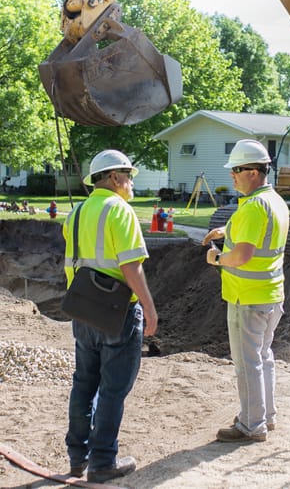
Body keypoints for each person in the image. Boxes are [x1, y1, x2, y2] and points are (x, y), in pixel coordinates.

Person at [63, 149, 158, 483]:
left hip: (82, 309)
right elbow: (130, 266)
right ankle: (103, 462)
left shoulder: (75, 213)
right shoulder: (120, 210)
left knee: (84, 384)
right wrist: (148, 307)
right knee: (113, 389)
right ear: (115, 178)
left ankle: (78, 457)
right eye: (128, 175)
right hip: (116, 312)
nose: (131, 182)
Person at [203, 139, 289, 443]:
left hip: (247, 297)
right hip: (269, 296)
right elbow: (258, 233)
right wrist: (225, 231)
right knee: (263, 357)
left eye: (237, 169)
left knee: (246, 363)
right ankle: (266, 416)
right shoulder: (274, 201)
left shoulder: (253, 207)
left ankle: (251, 425)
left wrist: (217, 258)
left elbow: (241, 255)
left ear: (253, 172)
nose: (233, 175)